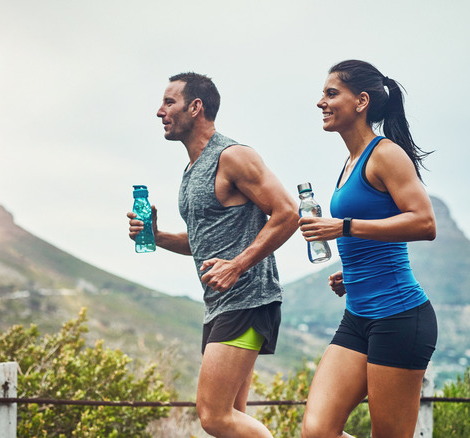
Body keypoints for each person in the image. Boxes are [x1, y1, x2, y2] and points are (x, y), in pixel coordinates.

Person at [127, 72, 298, 438]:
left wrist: (238, 265)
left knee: (213, 415)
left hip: (248, 299)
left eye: (169, 102)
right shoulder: (191, 170)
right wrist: (156, 236)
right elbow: (203, 242)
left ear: (196, 107)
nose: (160, 111)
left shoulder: (233, 156)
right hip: (220, 303)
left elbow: (288, 213)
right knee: (233, 419)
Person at [299, 60, 438, 438]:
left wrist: (342, 226)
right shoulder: (350, 162)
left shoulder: (386, 154)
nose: (320, 103)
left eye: (331, 94)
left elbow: (424, 223)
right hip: (357, 316)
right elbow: (377, 229)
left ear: (361, 101)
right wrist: (355, 274)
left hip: (399, 318)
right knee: (317, 430)